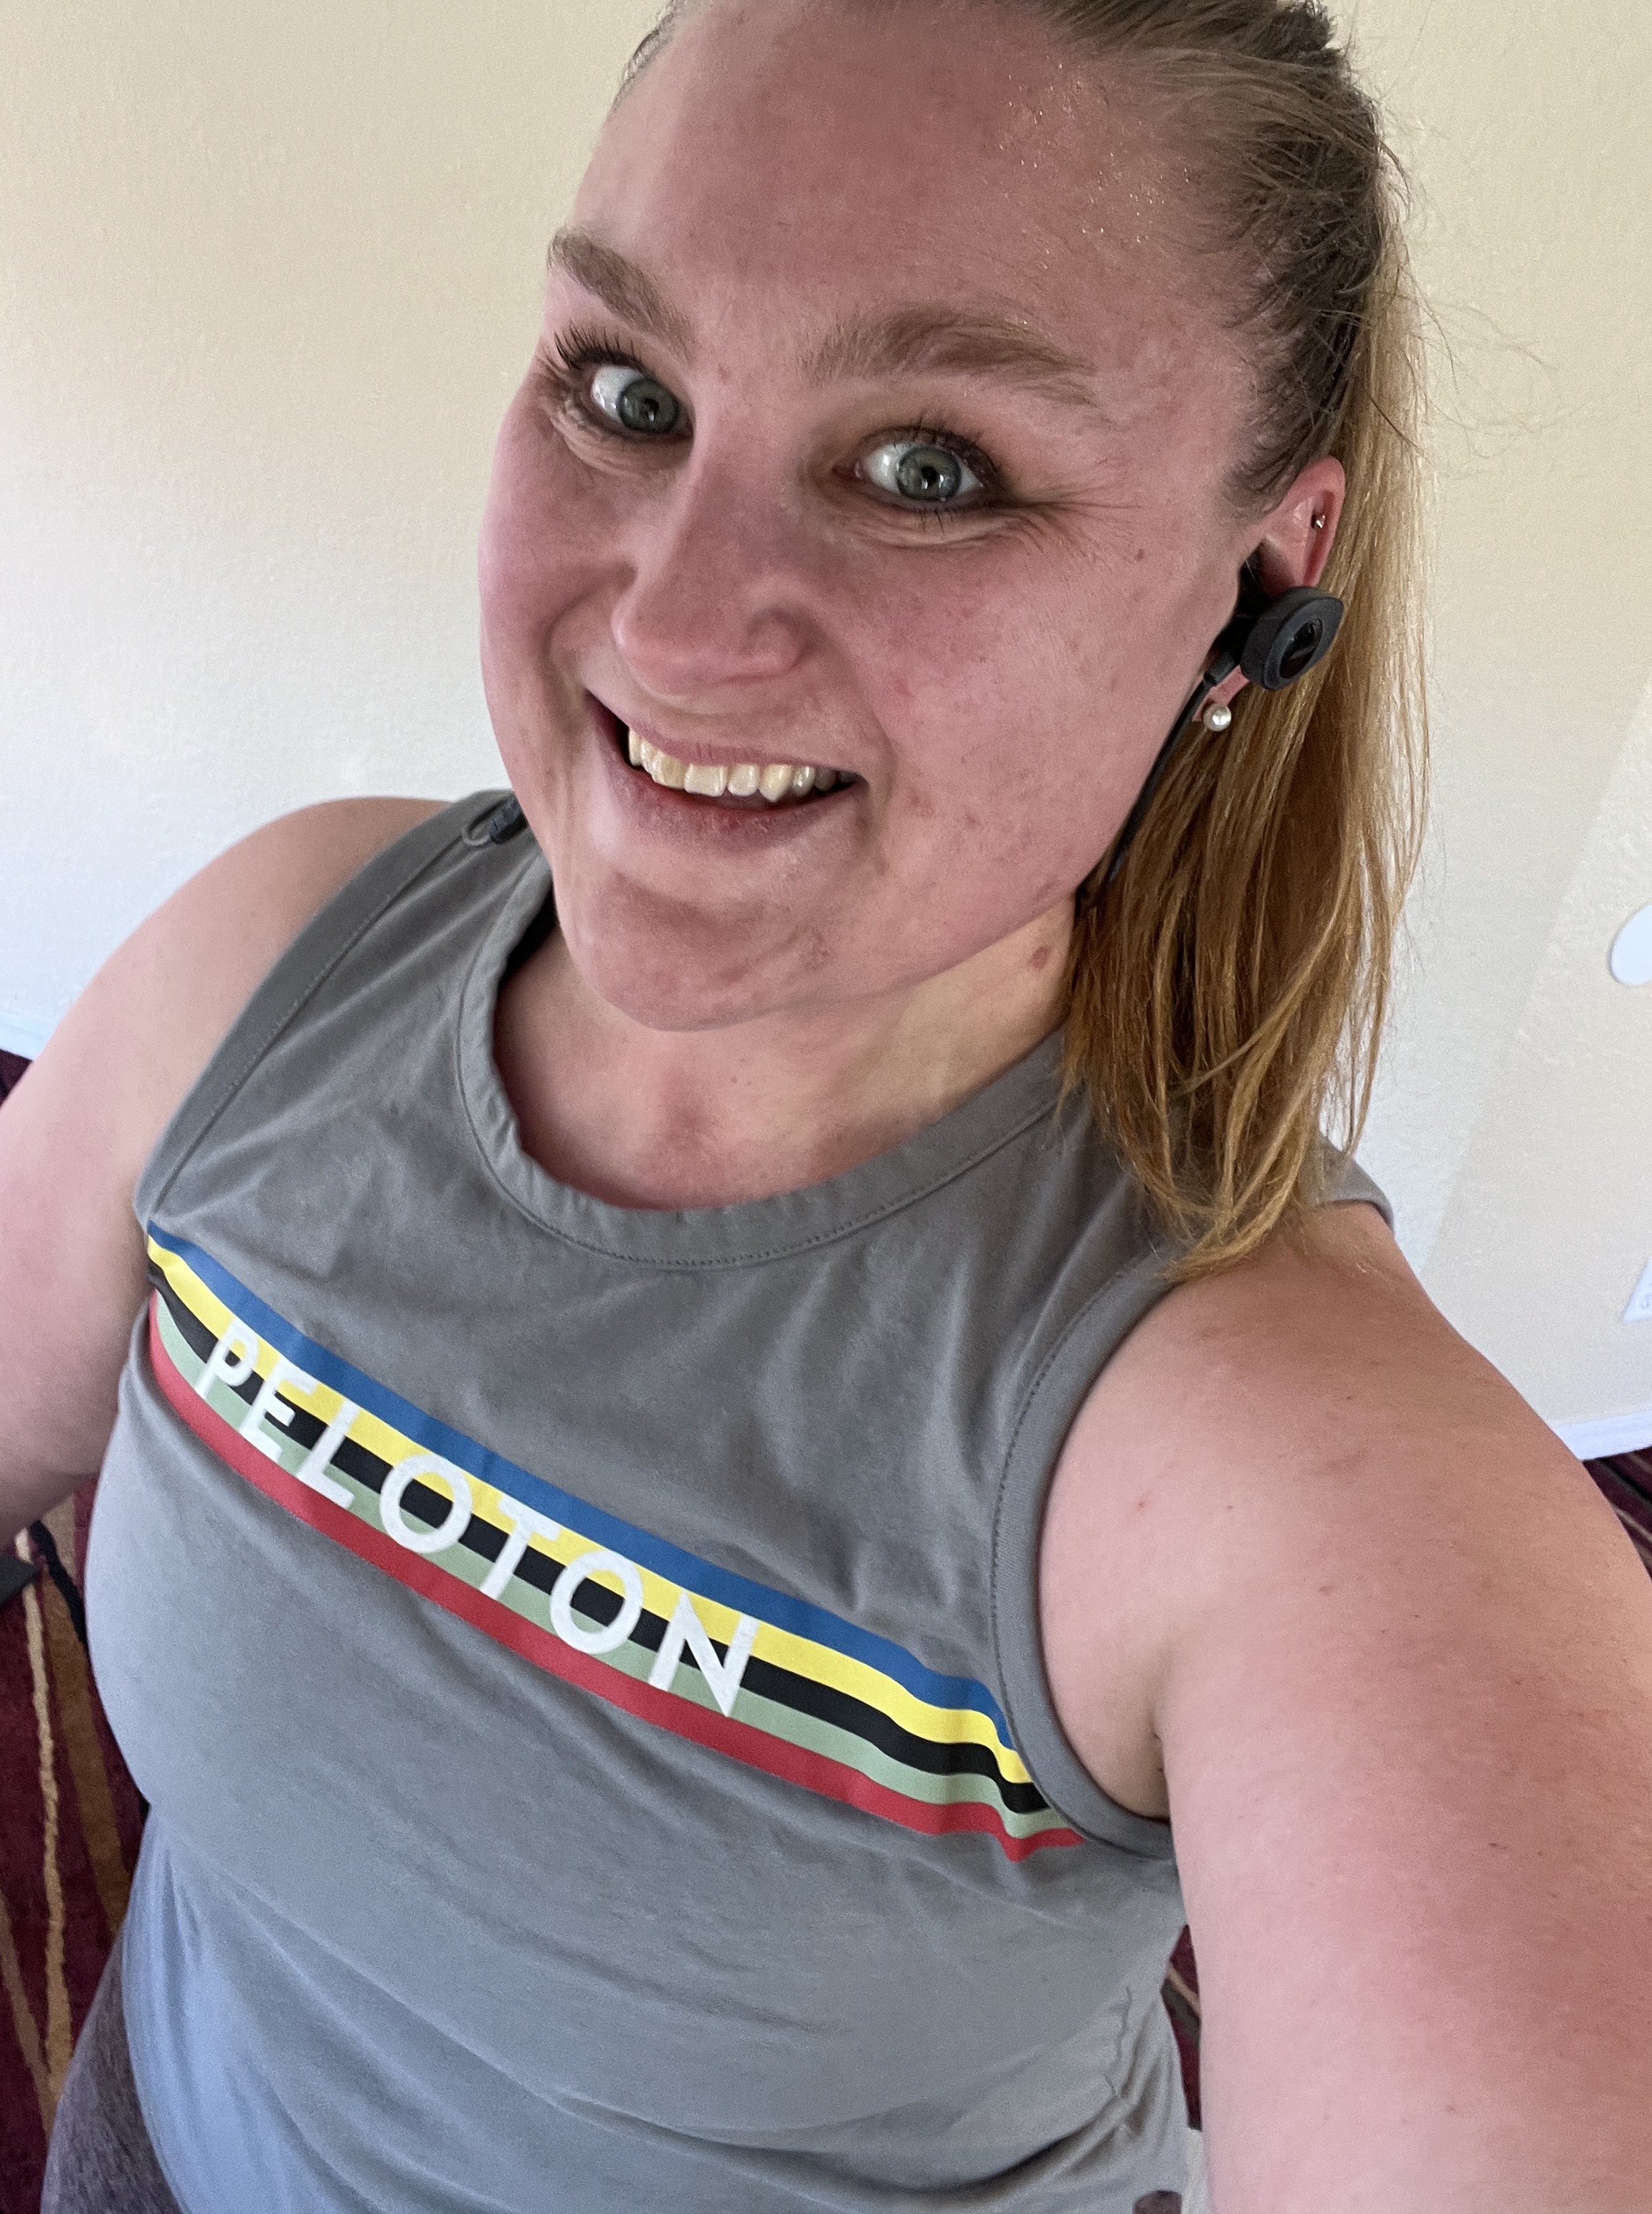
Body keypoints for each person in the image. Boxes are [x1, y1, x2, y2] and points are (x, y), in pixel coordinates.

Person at [6, 0, 1651, 2206]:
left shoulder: (1304, 1476)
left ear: (1266, 571)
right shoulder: (281, 958)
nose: (676, 627)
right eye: (629, 392)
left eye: (930, 467)